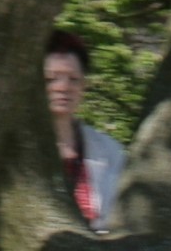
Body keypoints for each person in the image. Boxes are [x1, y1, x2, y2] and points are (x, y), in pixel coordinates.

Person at [44, 30, 125, 232]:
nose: (63, 87)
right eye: (51, 79)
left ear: (84, 85)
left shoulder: (111, 151)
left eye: (73, 79)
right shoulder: (11, 147)